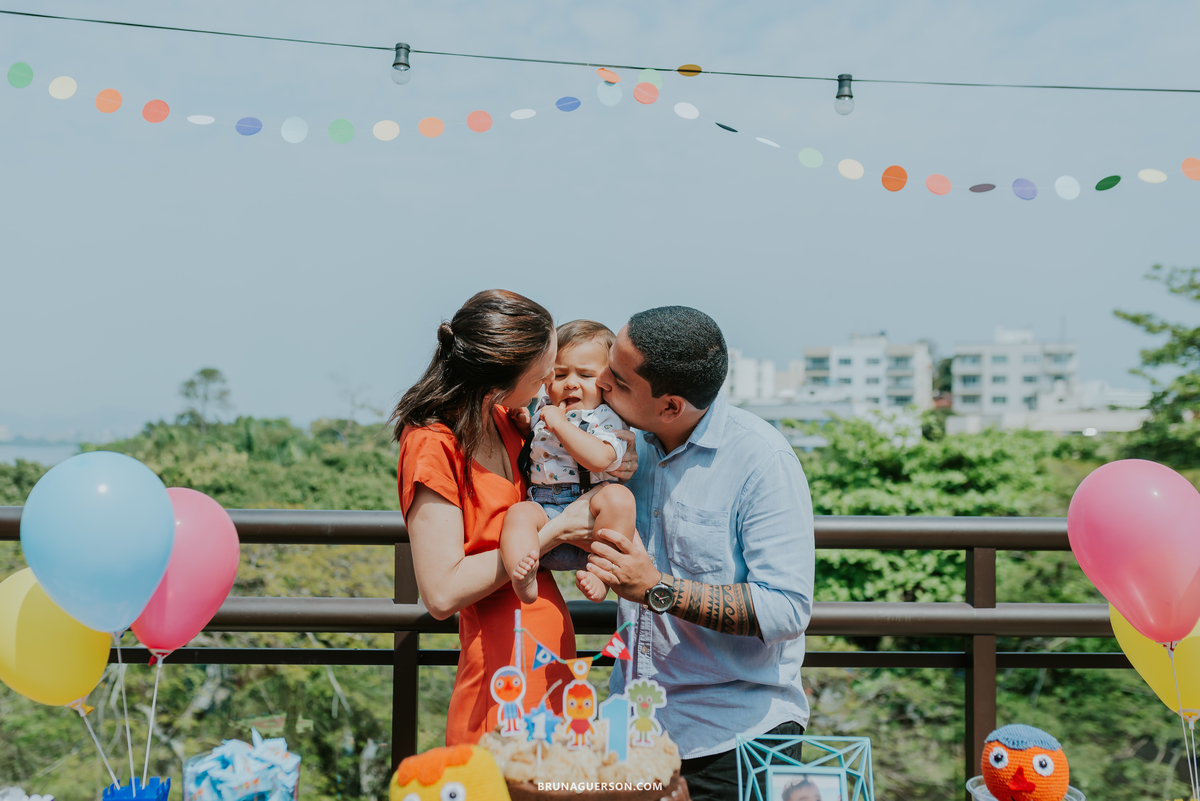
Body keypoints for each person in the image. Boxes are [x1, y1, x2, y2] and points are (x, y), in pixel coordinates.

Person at [584, 306, 815, 801]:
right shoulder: (616, 447)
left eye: (618, 380)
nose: (600, 381)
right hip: (630, 734)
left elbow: (787, 608)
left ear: (671, 406)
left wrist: (656, 589)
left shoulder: (761, 460)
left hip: (734, 741)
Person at [390, 290, 636, 745]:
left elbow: (568, 465)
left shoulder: (507, 419)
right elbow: (442, 593)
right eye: (546, 370)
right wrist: (554, 533)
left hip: (549, 642)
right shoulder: (432, 443)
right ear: (507, 373)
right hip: (502, 661)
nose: (552, 381)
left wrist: (619, 458)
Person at [501, 320, 638, 604]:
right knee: (518, 514)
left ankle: (601, 576)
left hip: (591, 525)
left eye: (585, 375)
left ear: (606, 383)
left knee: (619, 498)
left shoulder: (606, 419)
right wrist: (528, 428)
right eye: (560, 374)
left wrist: (561, 426)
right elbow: (543, 449)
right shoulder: (544, 410)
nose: (571, 383)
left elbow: (600, 459)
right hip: (544, 509)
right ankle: (522, 572)